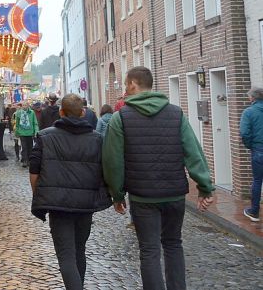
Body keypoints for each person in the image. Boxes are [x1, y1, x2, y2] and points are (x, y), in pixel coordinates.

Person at [102, 67, 214, 290]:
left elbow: (113, 160)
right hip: (174, 194)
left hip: (143, 198)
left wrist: (116, 194)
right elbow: (192, 151)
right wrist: (205, 187)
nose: (125, 89)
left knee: (149, 250)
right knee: (173, 244)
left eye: (126, 85)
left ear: (133, 84)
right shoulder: (175, 113)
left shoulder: (120, 118)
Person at [30, 94, 112, 290]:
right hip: (85, 205)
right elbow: (104, 170)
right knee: (78, 250)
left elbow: (34, 172)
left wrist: (40, 195)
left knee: (66, 255)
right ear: (83, 112)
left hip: (58, 205)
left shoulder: (44, 137)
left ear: (61, 112)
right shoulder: (97, 139)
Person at [239, 88, 263, 222]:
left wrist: (250, 145)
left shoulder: (249, 112)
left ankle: (254, 211)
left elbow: (244, 133)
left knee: (258, 181)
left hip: (259, 149)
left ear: (253, 98)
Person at [14, 101, 39, 168]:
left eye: (26, 105)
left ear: (28, 106)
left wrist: (36, 131)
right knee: (24, 147)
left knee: (30, 147)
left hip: (30, 132)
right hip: (22, 132)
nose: (24, 106)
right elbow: (17, 124)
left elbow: (35, 122)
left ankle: (30, 160)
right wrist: (16, 132)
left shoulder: (32, 112)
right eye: (23, 105)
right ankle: (25, 160)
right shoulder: (19, 113)